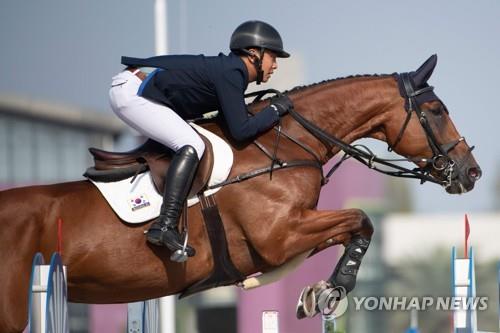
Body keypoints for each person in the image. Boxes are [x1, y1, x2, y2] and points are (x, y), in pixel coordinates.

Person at [108, 20, 293, 261]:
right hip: (133, 92)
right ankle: (165, 225)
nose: (275, 65)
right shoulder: (232, 72)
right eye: (273, 57)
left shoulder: (231, 71)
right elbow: (241, 130)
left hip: (139, 89)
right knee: (192, 144)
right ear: (253, 54)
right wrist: (275, 110)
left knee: (192, 139)